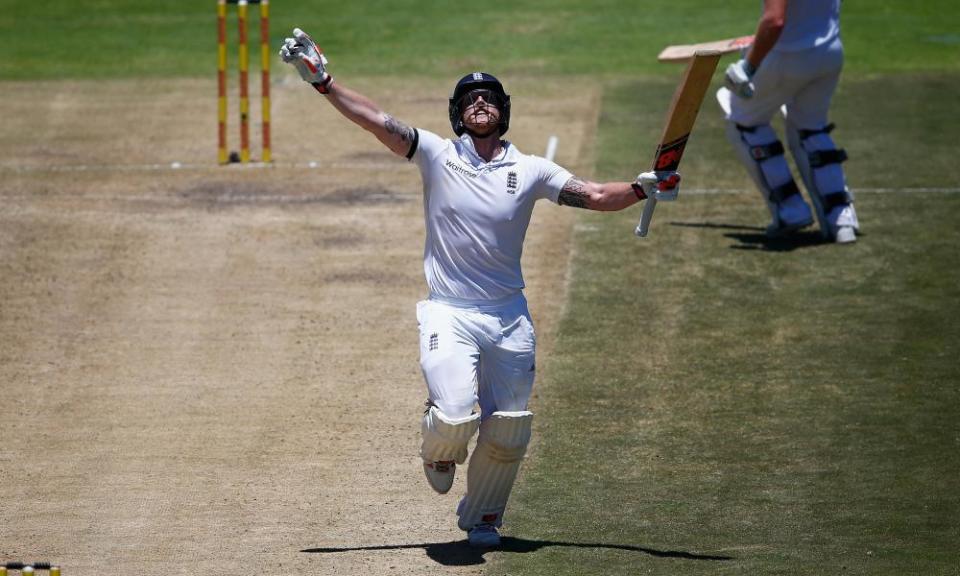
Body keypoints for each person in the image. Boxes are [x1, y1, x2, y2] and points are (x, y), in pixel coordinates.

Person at [279, 28, 680, 548]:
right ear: (458, 114)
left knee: (511, 426)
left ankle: (483, 517)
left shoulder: (531, 169)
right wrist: (324, 83)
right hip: (450, 311)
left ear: (503, 112)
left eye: (489, 98)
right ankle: (438, 445)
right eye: (471, 100)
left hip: (509, 316)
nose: (481, 103)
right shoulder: (436, 155)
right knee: (453, 414)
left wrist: (641, 188)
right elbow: (378, 121)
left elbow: (596, 194)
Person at [718, 0, 860, 243]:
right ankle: (841, 218)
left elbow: (775, 20)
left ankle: (790, 210)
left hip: (786, 56)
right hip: (829, 53)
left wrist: (748, 66)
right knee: (811, 127)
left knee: (742, 118)